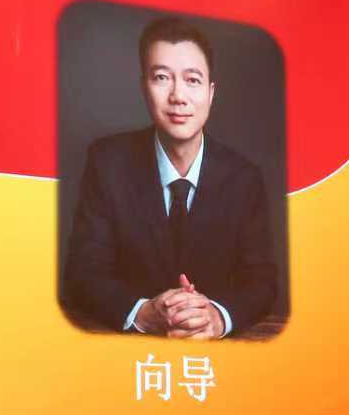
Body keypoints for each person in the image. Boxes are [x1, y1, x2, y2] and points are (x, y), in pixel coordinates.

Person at [62, 17, 279, 338]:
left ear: (211, 92)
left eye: (192, 80)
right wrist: (142, 312)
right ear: (144, 87)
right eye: (162, 77)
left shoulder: (244, 178)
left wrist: (217, 318)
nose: (178, 96)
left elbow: (262, 282)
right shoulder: (107, 163)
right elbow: (82, 273)